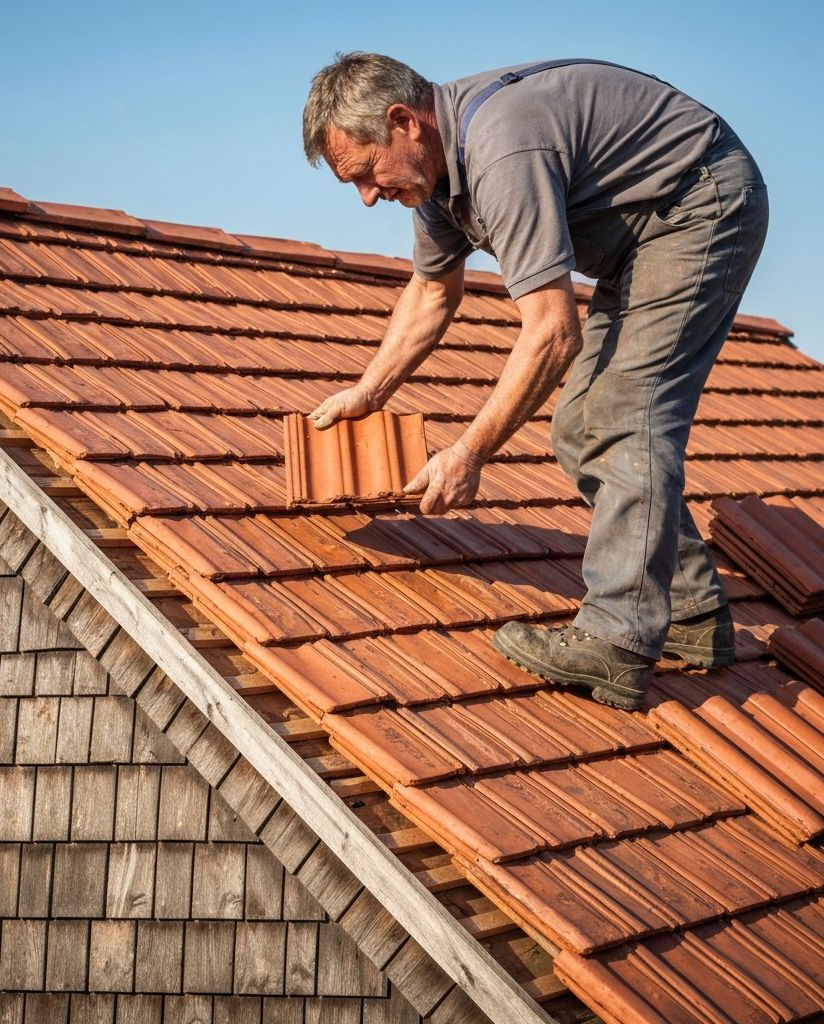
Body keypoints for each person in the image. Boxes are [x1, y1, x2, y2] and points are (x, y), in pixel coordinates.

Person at [302, 52, 769, 710]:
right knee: (579, 427)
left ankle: (617, 639)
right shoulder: (435, 179)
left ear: (403, 121)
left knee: (622, 415)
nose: (368, 197)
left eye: (365, 174)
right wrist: (369, 393)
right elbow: (433, 292)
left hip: (700, 206)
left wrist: (469, 452)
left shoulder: (501, 149)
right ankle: (690, 610)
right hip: (645, 234)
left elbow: (552, 332)